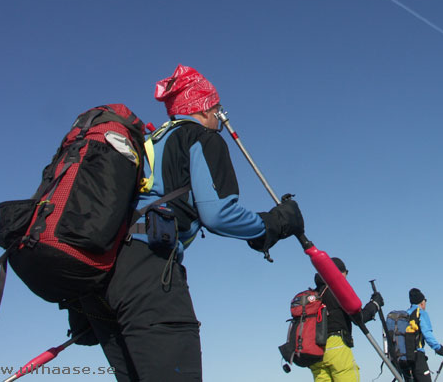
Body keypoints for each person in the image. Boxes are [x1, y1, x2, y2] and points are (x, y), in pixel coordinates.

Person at [67, 64, 305, 381]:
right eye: (218, 107)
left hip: (101, 273)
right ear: (205, 106)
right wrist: (275, 224)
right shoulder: (199, 137)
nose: (221, 116)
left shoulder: (150, 140)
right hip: (148, 270)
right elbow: (219, 214)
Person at [309, 257, 384, 382]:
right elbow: (358, 318)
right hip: (336, 347)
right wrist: (375, 304)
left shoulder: (315, 294)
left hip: (315, 351)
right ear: (337, 272)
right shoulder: (336, 289)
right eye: (345, 272)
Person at [400, 288, 443, 382]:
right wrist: (441, 350)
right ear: (422, 302)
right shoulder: (420, 313)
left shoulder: (405, 315)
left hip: (403, 359)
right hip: (417, 358)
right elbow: (427, 334)